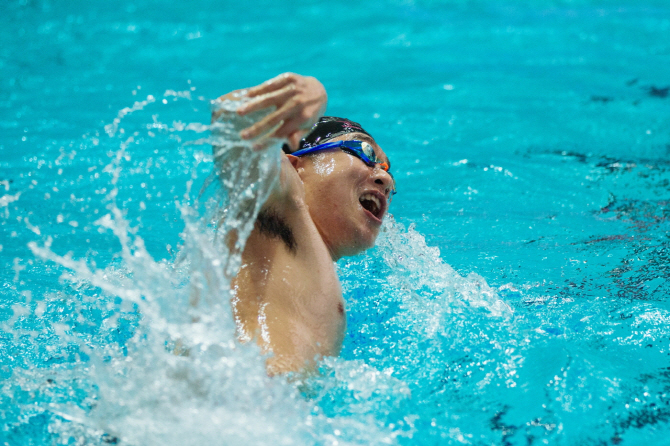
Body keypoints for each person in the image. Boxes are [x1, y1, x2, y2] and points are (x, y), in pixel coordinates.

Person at [213, 73, 396, 374]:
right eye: (365, 154)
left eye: (387, 170)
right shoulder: (279, 207)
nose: (385, 179)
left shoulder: (303, 256)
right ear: (295, 166)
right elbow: (232, 121)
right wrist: (309, 91)